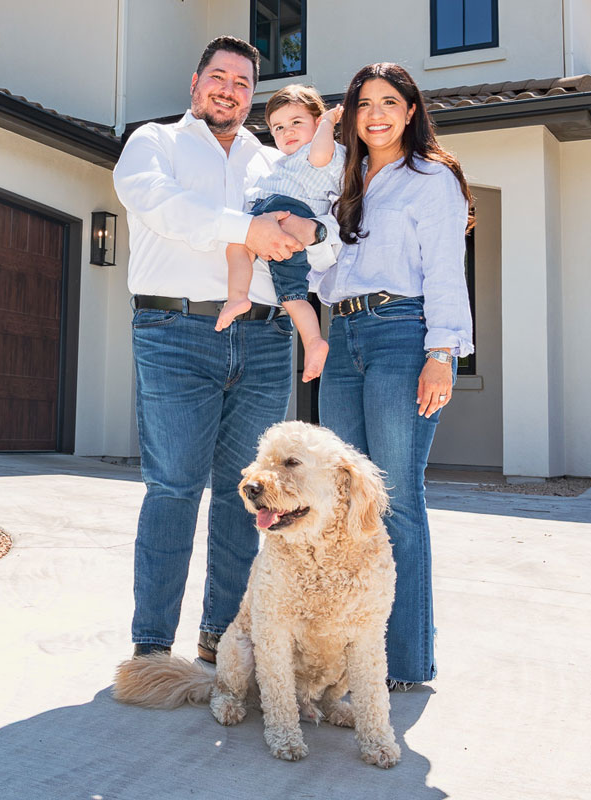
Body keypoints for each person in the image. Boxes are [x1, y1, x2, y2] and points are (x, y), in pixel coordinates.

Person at [112, 36, 336, 663]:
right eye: (220, 76)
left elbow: (320, 242)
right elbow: (162, 207)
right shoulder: (153, 143)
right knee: (174, 489)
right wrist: (248, 228)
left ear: (252, 95)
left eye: (243, 82)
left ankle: (224, 639)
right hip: (175, 335)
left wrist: (315, 231)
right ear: (195, 83)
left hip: (267, 337)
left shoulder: (274, 161)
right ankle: (153, 648)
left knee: (251, 496)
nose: (230, 90)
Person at [312, 63, 475, 688]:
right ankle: (347, 656)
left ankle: (405, 662)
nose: (375, 114)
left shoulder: (432, 180)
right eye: (362, 105)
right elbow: (324, 270)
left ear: (411, 111)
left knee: (397, 499)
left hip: (403, 336)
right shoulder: (345, 183)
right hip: (345, 333)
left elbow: (443, 272)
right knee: (343, 501)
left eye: (389, 102)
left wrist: (443, 353)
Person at [215, 85, 344, 382]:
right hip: (263, 218)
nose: (287, 132)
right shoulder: (278, 162)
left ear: (316, 121)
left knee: (291, 293)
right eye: (278, 127)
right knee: (285, 290)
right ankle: (239, 298)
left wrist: (327, 124)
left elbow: (323, 153)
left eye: (297, 122)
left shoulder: (323, 153)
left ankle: (313, 342)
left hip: (290, 213)